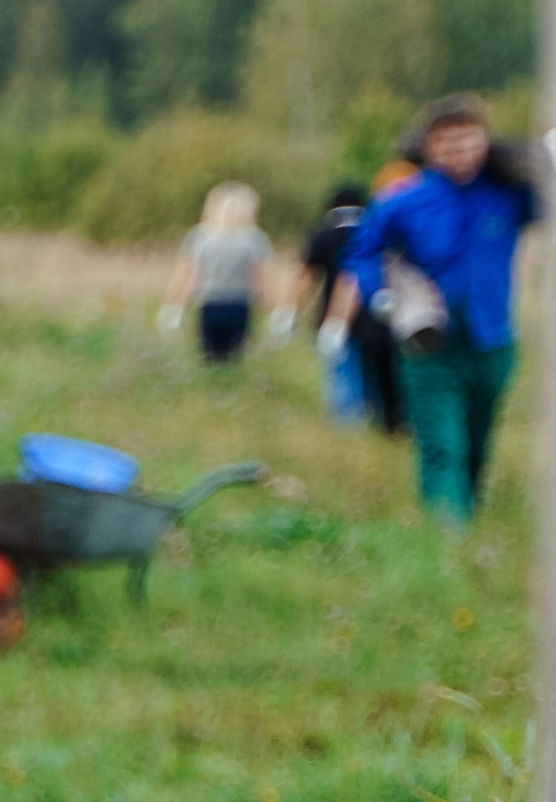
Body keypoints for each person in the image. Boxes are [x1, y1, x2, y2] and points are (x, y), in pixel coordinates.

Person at [331, 94, 543, 526]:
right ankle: (448, 530)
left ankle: (467, 519)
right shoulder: (402, 200)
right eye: (448, 142)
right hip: (429, 343)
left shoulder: (508, 194)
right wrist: (380, 296)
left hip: (493, 338)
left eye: (469, 140)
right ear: (429, 147)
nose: (460, 151)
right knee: (442, 442)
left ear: (484, 142)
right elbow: (361, 252)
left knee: (477, 442)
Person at [298, 179, 403, 429]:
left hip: (335, 314)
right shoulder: (378, 233)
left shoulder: (322, 235)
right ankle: (384, 422)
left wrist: (290, 311)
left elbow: (306, 277)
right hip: (378, 317)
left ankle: (348, 425)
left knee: (343, 374)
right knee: (379, 373)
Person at [160, 182, 289, 365]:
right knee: (234, 358)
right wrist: (275, 310)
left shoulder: (200, 237)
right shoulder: (254, 239)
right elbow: (261, 280)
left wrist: (175, 306)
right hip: (239, 305)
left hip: (209, 304)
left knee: (210, 358)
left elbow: (189, 277)